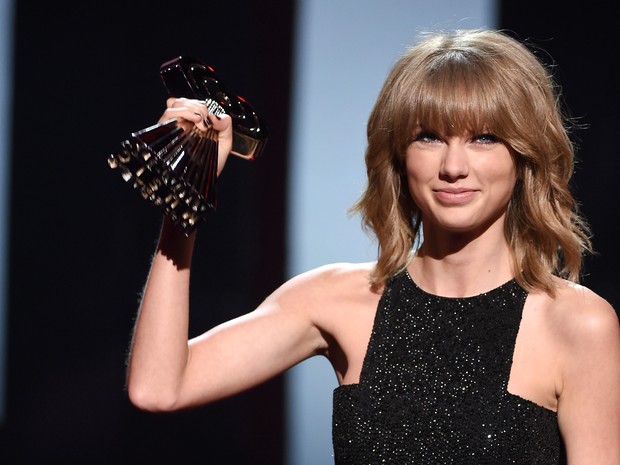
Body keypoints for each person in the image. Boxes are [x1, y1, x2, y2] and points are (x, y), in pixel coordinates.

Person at [125, 29, 620, 464]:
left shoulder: (576, 325)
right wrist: (185, 199)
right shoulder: (337, 300)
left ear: (525, 154)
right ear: (400, 155)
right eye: (429, 137)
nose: (453, 166)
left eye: (484, 138)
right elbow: (159, 387)